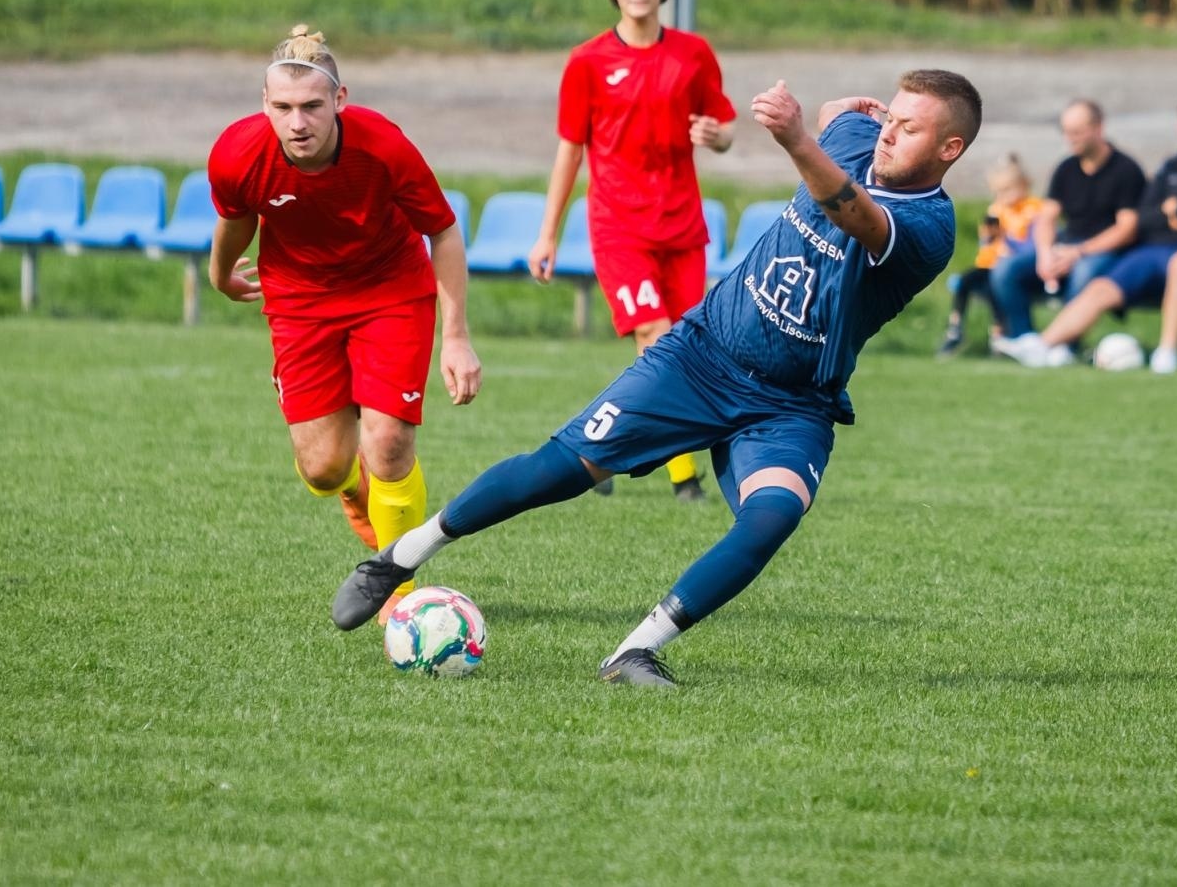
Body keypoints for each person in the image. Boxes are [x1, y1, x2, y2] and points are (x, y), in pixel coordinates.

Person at [332, 70, 982, 687]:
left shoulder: (929, 228)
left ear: (950, 148)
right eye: (891, 118)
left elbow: (854, 215)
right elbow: (838, 117)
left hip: (793, 401)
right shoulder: (857, 136)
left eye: (911, 128)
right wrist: (844, 109)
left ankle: (636, 649)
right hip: (700, 358)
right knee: (555, 471)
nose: (890, 133)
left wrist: (794, 138)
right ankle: (397, 559)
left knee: (774, 513)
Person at [208, 25, 483, 623]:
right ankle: (361, 495)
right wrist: (220, 273)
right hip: (299, 301)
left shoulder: (383, 147)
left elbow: (443, 230)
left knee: (388, 442)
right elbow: (236, 217)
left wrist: (455, 337)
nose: (297, 122)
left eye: (311, 106)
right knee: (324, 468)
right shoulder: (236, 154)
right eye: (282, 108)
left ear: (339, 100)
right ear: (265, 105)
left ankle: (398, 588)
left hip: (390, 289)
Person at [527, 0, 737, 502]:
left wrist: (716, 137)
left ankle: (606, 445)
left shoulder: (693, 54)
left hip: (683, 226)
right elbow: (570, 151)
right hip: (619, 226)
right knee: (656, 335)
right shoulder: (588, 62)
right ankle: (679, 473)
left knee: (680, 346)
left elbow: (724, 131)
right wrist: (547, 235)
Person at [995, 94, 1177, 373]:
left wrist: (1176, 211)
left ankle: (1167, 354)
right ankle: (1043, 346)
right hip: (1156, 251)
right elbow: (1147, 217)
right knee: (1101, 287)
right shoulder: (1170, 168)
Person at [989, 99, 1145, 339]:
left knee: (1083, 273)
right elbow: (1047, 218)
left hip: (1108, 251)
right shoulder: (1066, 168)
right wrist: (1044, 254)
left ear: (1098, 128)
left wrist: (1079, 251)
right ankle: (1025, 342)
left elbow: (1127, 229)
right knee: (1005, 270)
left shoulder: (1126, 170)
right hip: (1066, 245)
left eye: (1077, 132)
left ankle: (1062, 346)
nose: (1070, 138)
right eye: (1066, 132)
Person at [937, 154, 1042, 356]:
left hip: (1017, 267)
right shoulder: (997, 210)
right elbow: (986, 246)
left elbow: (1032, 247)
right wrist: (988, 237)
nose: (1002, 197)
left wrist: (1005, 239)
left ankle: (999, 334)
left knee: (996, 285)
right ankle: (955, 328)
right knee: (965, 281)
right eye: (998, 192)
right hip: (990, 265)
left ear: (1024, 184)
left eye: (1007, 190)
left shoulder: (1033, 209)